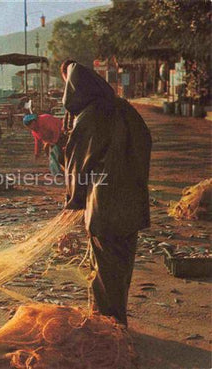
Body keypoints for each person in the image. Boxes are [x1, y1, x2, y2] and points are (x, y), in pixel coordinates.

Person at [61, 59, 152, 327]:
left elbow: (77, 165)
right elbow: (145, 144)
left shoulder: (89, 117)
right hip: (133, 202)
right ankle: (116, 321)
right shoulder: (125, 109)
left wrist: (74, 202)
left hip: (104, 206)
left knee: (104, 271)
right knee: (122, 268)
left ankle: (109, 330)